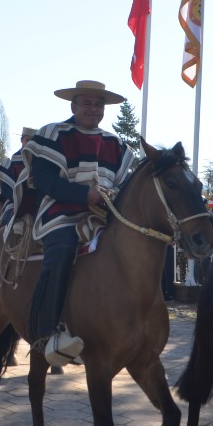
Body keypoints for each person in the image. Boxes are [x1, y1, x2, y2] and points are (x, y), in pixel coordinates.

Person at [23, 79, 134, 367]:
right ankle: (49, 332)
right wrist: (85, 194)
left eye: (99, 104)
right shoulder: (53, 133)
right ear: (73, 105)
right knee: (63, 248)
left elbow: (124, 185)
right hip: (61, 212)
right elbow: (45, 180)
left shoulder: (117, 144)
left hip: (106, 215)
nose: (93, 109)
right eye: (87, 103)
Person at [0, 127, 37, 231]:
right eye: (27, 140)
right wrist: (18, 199)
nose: (30, 143)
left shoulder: (41, 163)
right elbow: (5, 188)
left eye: (33, 141)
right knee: (6, 222)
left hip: (37, 202)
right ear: (21, 140)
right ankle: (0, 245)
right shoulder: (11, 162)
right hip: (14, 201)